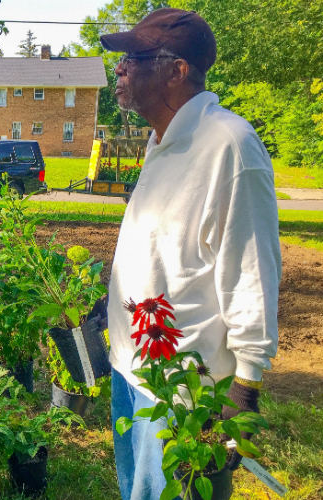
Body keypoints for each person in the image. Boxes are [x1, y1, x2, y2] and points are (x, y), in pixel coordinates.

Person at [100, 8, 281, 500]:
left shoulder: (230, 147)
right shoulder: (162, 142)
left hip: (184, 395)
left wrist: (244, 390)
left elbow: (251, 276)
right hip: (132, 370)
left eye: (134, 58)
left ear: (177, 70)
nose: (119, 69)